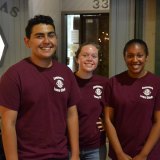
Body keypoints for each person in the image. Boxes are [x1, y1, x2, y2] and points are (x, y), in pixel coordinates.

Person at [0, 15, 80, 160]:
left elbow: (71, 114)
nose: (46, 41)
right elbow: (7, 123)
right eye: (39, 36)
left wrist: (75, 154)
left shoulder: (66, 72)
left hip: (61, 155)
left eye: (51, 35)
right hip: (27, 156)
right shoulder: (13, 75)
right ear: (27, 41)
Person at [104, 39, 160, 160]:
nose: (135, 60)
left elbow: (158, 122)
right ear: (124, 57)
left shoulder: (157, 83)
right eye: (130, 56)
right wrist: (119, 154)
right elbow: (108, 120)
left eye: (139, 55)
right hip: (120, 154)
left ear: (146, 57)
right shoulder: (113, 83)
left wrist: (143, 154)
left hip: (149, 154)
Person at [74, 42, 108, 160]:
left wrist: (107, 122)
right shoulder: (68, 81)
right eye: (85, 55)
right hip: (69, 147)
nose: (90, 59)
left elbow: (118, 107)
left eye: (94, 56)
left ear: (98, 60)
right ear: (77, 59)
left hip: (95, 148)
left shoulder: (105, 83)